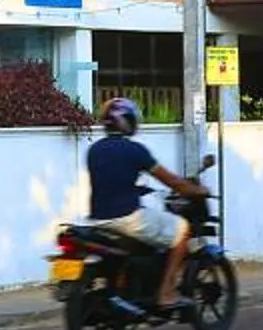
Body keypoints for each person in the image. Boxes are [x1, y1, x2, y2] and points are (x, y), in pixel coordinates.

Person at [86, 98, 211, 314]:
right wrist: (198, 190)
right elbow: (172, 182)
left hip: (99, 218)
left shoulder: (94, 150)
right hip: (127, 218)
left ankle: (129, 288)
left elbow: (112, 181)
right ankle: (166, 293)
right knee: (182, 230)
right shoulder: (135, 151)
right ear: (126, 121)